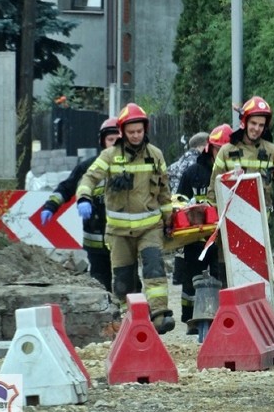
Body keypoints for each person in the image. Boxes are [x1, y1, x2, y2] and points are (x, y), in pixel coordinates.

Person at [76, 103, 176, 334]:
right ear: (122, 131)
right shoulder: (110, 156)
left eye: (139, 131)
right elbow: (89, 178)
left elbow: (164, 191)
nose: (135, 135)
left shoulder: (155, 155)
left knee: (154, 268)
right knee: (122, 279)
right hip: (119, 232)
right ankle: (130, 320)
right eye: (131, 132)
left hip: (150, 227)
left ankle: (160, 315)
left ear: (145, 130)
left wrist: (169, 219)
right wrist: (84, 198)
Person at [40, 117, 136, 293]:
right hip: (96, 243)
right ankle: (106, 319)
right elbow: (66, 187)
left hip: (125, 239)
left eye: (118, 140)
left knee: (129, 284)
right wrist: (50, 206)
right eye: (110, 140)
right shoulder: (88, 167)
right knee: (100, 286)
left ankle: (134, 318)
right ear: (102, 141)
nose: (114, 144)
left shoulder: (135, 166)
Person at [206, 96, 274, 236]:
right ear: (245, 121)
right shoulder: (226, 151)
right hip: (230, 225)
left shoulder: (272, 152)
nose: (257, 129)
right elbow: (214, 188)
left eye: (261, 125)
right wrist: (213, 219)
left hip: (260, 226)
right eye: (253, 123)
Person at [176, 123, 232, 335]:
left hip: (222, 237)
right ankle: (190, 319)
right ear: (210, 148)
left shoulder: (233, 174)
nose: (222, 155)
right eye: (218, 149)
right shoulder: (193, 173)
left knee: (220, 275)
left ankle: (219, 316)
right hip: (196, 237)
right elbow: (180, 201)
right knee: (192, 275)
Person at [168, 132, 210, 287]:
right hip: (193, 213)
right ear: (203, 145)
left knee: (181, 249)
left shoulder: (176, 164)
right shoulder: (196, 164)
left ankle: (178, 276)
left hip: (177, 211)